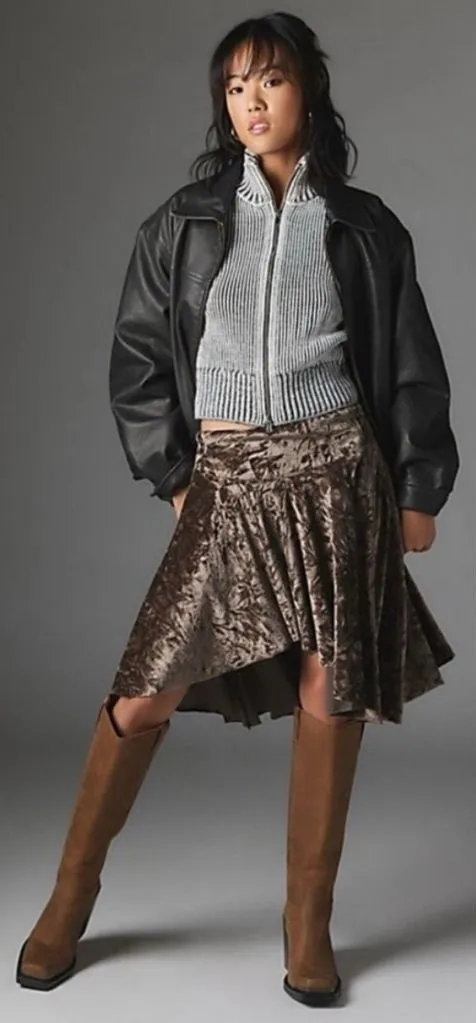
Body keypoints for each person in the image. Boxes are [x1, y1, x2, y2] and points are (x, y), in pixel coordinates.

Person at [16, 11, 459, 1007]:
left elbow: (410, 365)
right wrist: (176, 475)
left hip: (338, 473)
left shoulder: (363, 226)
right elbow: (137, 360)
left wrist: (419, 485)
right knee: (146, 688)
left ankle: (307, 924)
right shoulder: (181, 223)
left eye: (270, 81)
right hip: (228, 479)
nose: (251, 102)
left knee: (327, 689)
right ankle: (71, 897)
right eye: (233, 87)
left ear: (309, 92)